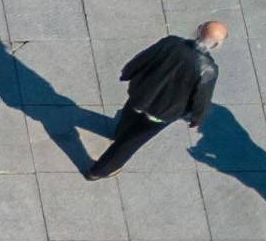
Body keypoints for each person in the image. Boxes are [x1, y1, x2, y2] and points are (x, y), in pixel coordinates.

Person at [86, 20, 223, 175]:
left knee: (128, 116)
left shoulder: (171, 43)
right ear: (217, 45)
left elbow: (143, 59)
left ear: (198, 31)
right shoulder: (208, 70)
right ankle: (100, 170)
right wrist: (197, 118)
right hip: (163, 112)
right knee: (131, 142)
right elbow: (202, 99)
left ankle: (119, 133)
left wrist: (127, 73)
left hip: (140, 96)